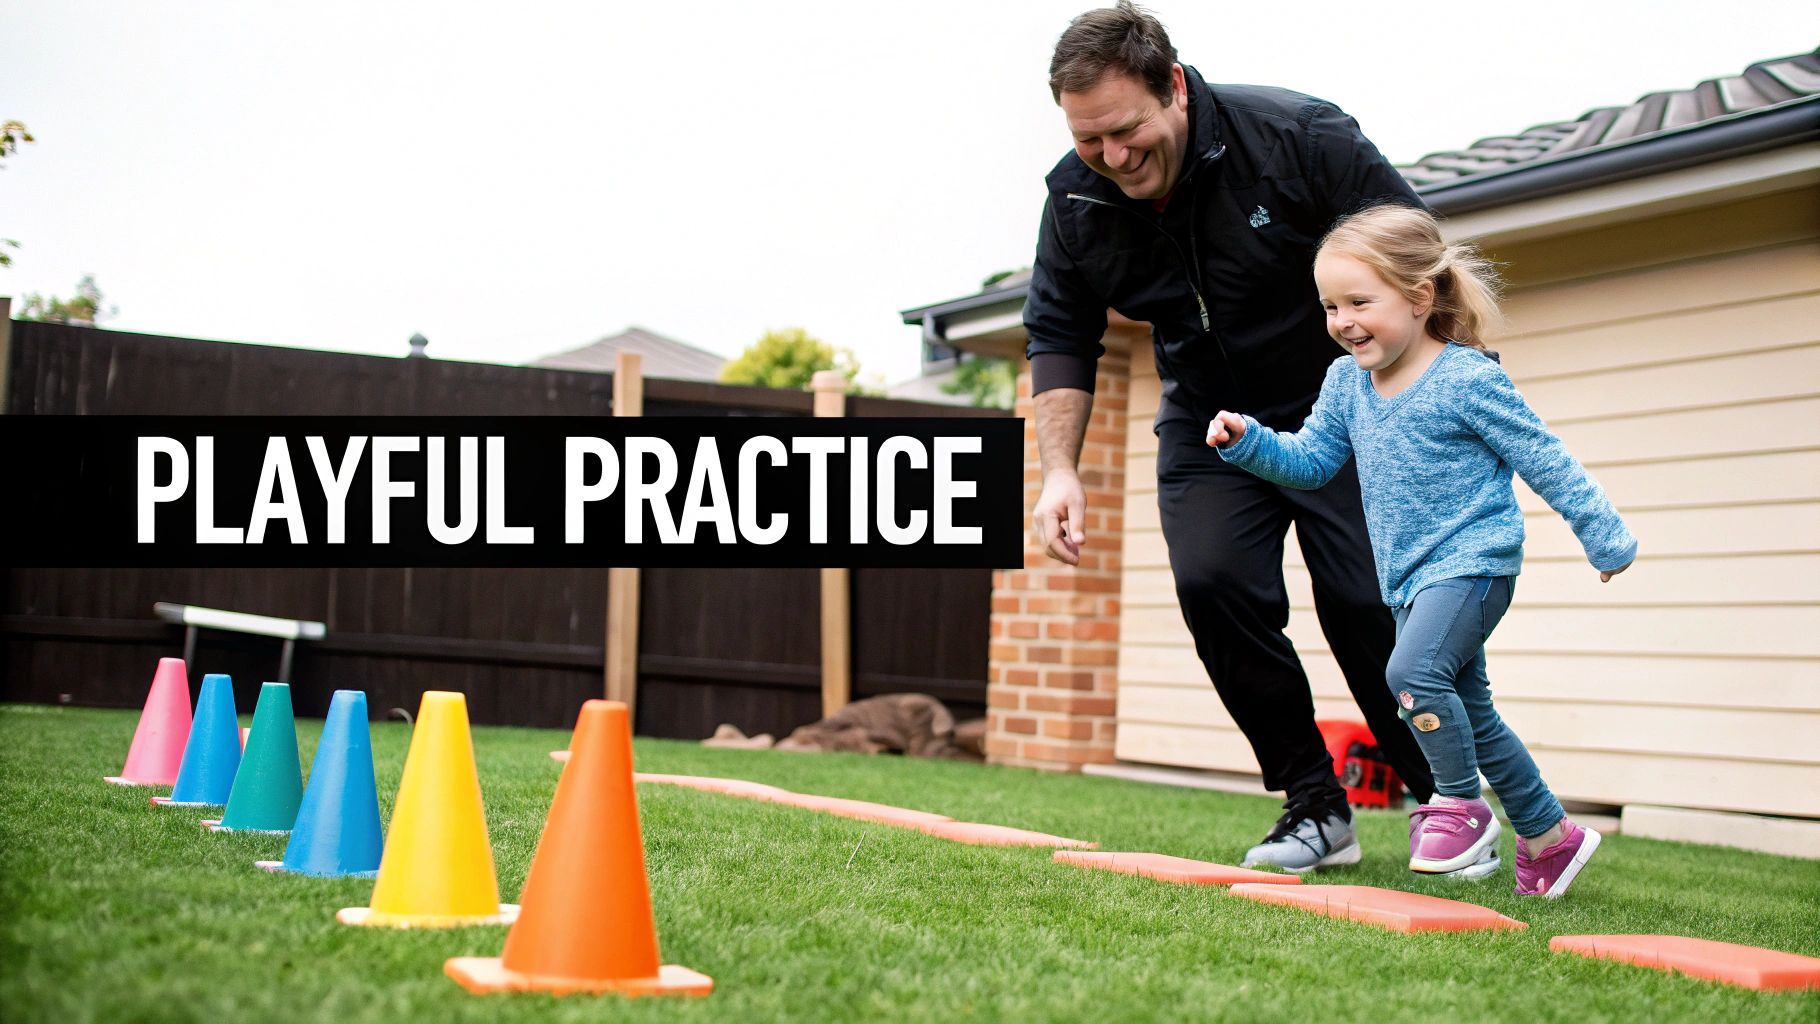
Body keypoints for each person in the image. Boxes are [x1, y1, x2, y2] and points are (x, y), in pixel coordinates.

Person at [1025, 1, 1441, 873]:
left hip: (1343, 405)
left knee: (1368, 603)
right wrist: (1058, 470)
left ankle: (1444, 799)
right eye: (1090, 138)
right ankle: (1313, 805)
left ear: (1173, 86)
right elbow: (1061, 332)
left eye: (1127, 130)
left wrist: (1436, 411)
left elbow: (1419, 266)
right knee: (1216, 585)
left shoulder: (1299, 138)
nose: (1112, 156)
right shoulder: (1075, 198)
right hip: (1211, 418)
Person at [1206, 204, 1636, 895]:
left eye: (1358, 302)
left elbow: (1544, 458)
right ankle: (1551, 838)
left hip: (1474, 562)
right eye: (1330, 306)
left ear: (1418, 297)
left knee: (1410, 674)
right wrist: (1251, 442)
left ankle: (1457, 806)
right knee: (1475, 713)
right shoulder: (1347, 382)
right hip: (1408, 577)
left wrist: (1603, 533)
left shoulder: (1468, 379)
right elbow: (1314, 461)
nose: (1343, 321)